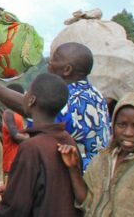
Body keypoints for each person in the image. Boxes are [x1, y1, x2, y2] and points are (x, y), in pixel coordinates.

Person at [0, 73, 80, 216]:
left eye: (28, 91)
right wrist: (14, 189)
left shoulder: (32, 147)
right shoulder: (67, 139)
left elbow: (15, 208)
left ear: (31, 100)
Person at [58, 92, 134, 216]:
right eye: (121, 124)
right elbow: (86, 203)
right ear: (113, 125)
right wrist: (73, 168)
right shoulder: (101, 160)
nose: (128, 132)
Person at [50, 42, 110, 171]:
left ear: (67, 70)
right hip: (100, 172)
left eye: (55, 59)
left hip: (80, 175)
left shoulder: (69, 99)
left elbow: (32, 110)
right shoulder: (96, 94)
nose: (49, 63)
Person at [1, 84, 28, 184]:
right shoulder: (8, 113)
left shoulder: (18, 113)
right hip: (10, 162)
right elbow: (15, 135)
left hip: (18, 160)